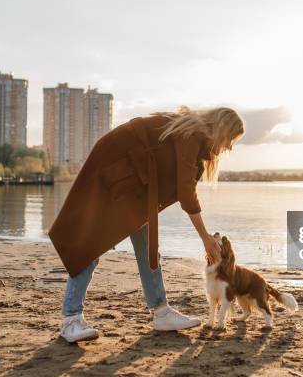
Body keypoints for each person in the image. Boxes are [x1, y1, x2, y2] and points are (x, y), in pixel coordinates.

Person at [48, 106, 245, 342]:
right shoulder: (192, 134)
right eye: (231, 139)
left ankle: (161, 311)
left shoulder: (194, 137)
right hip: (114, 172)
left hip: (135, 185)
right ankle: (70, 320)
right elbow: (186, 191)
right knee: (92, 244)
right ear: (222, 129)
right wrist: (204, 237)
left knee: (147, 248)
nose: (230, 147)